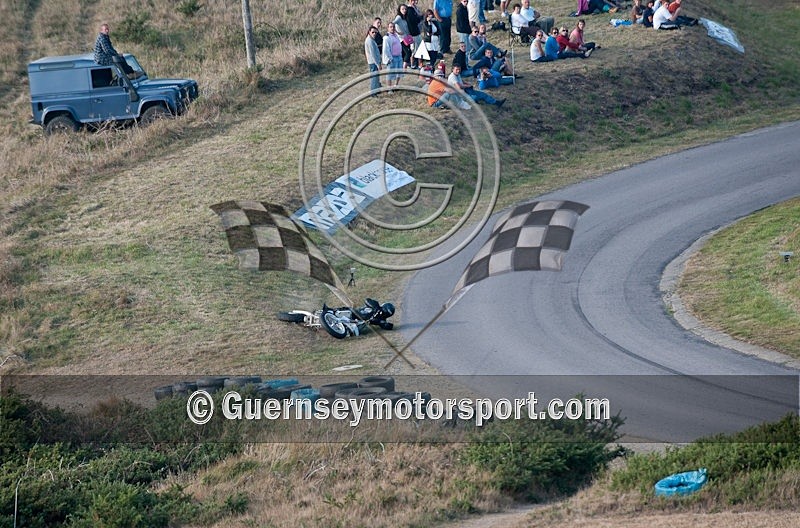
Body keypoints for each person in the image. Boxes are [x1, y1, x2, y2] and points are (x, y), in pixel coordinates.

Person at [382, 22, 404, 86]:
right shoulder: (387, 37)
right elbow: (386, 49)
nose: (392, 28)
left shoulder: (396, 35)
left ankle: (396, 85)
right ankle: (389, 88)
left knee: (399, 72)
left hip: (399, 56)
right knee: (390, 74)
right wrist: (390, 58)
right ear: (388, 28)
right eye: (391, 27)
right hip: (392, 58)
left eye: (393, 27)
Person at [394, 4, 413, 69]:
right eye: (402, 9)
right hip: (401, 38)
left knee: (404, 53)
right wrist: (397, 32)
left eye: (405, 9)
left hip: (407, 38)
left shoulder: (404, 17)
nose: (404, 10)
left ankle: (402, 66)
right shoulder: (398, 17)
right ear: (399, 10)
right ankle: (404, 67)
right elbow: (392, 23)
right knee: (408, 52)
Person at [407, 0, 424, 68]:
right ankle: (413, 64)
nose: (414, 1)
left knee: (420, 48)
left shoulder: (415, 8)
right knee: (414, 49)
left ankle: (419, 64)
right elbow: (414, 20)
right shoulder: (409, 9)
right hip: (413, 33)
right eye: (412, 0)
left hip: (417, 31)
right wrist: (420, 17)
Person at [365, 26, 382, 92]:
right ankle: (373, 92)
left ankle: (377, 88)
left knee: (376, 77)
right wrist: (378, 64)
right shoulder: (369, 41)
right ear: (369, 32)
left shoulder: (371, 39)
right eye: (373, 32)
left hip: (374, 62)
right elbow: (373, 54)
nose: (374, 33)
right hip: (373, 62)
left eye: (375, 32)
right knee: (374, 77)